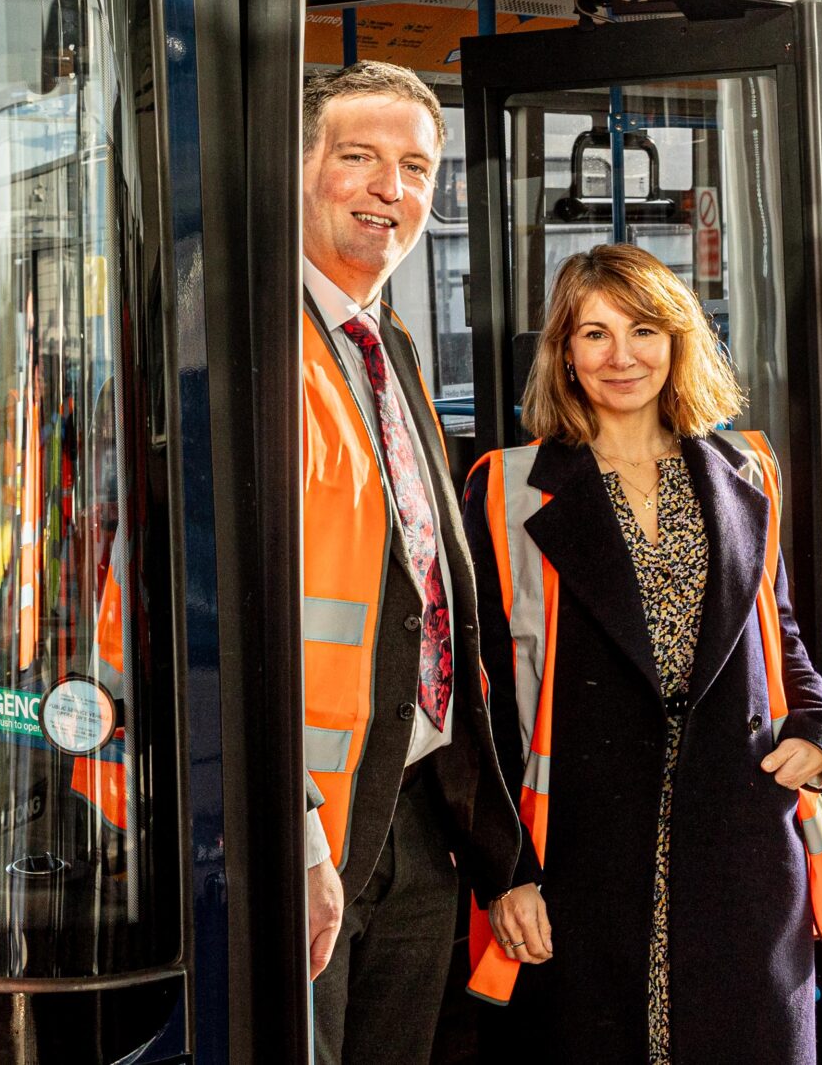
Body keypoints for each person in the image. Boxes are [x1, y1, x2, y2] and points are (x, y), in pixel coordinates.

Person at [465, 244, 822, 1065]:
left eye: (643, 329)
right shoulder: (506, 488)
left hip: (741, 858)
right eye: (594, 333)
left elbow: (780, 634)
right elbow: (477, 701)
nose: (621, 355)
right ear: (564, 351)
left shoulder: (746, 469)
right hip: (580, 864)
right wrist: (506, 869)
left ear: (677, 341)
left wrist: (820, 732)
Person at [297, 61, 520, 1065]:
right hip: (315, 825)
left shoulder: (385, 342)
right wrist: (298, 829)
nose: (391, 188)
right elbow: (210, 616)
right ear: (300, 169)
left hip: (418, 805)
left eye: (417, 168)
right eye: (359, 157)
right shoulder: (251, 340)